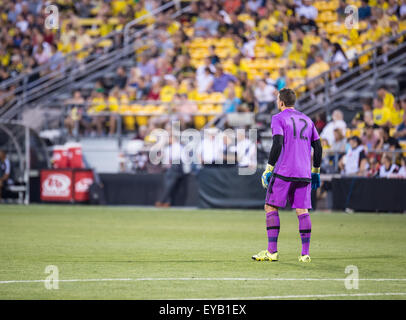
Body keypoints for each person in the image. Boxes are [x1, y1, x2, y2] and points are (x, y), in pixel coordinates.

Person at [252, 88, 322, 263]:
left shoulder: (278, 118)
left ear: (281, 102)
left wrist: (269, 168)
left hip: (284, 171)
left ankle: (272, 251)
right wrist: (316, 171)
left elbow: (277, 143)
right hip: (304, 172)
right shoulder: (307, 119)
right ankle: (305, 254)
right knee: (302, 210)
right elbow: (318, 147)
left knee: (270, 206)